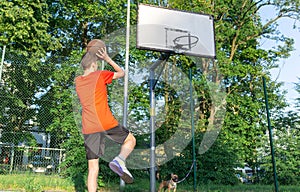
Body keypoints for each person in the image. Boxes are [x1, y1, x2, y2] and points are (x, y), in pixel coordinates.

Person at [75, 40, 136, 192]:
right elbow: (122, 73)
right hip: (104, 121)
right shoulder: (100, 75)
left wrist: (92, 55)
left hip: (88, 127)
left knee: (93, 168)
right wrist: (107, 59)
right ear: (95, 65)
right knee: (130, 139)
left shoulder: (78, 81)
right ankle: (120, 160)